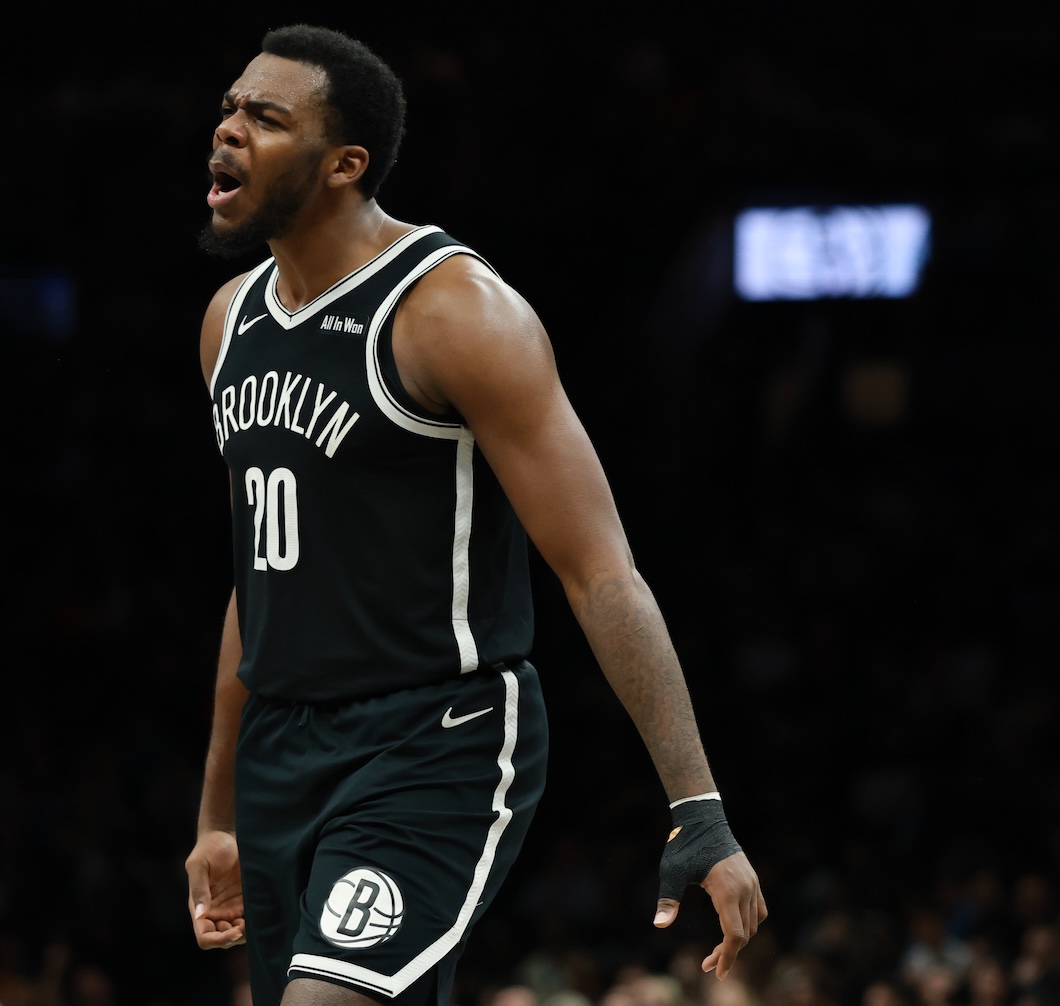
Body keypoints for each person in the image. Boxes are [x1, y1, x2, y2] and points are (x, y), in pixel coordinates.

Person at [181, 24, 767, 1006]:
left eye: (266, 118)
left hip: (433, 736)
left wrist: (696, 803)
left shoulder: (454, 311)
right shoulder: (227, 323)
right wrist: (217, 813)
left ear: (344, 164)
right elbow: (262, 576)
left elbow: (600, 570)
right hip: (282, 745)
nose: (228, 130)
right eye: (230, 108)